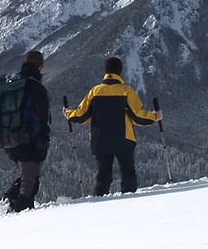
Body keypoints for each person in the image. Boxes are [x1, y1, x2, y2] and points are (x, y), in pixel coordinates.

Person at [63, 57, 163, 196]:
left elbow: (81, 116)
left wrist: (68, 112)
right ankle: (129, 201)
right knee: (128, 173)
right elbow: (138, 116)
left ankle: (99, 203)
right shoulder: (126, 91)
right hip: (124, 139)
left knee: (103, 176)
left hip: (100, 140)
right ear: (121, 71)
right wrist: (155, 116)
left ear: (105, 71)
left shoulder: (95, 92)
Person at [1, 50, 51, 212]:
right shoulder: (36, 88)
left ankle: (9, 202)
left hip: (6, 138)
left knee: (27, 177)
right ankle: (19, 212)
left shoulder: (13, 82)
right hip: (26, 141)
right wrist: (43, 144)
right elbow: (42, 121)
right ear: (41, 67)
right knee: (29, 184)